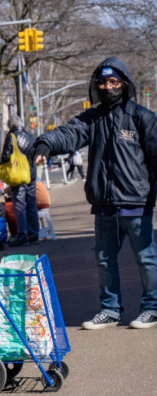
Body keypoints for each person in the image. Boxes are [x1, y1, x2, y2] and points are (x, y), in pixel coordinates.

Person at [34, 57, 157, 330]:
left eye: (113, 82)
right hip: (104, 204)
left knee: (147, 258)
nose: (107, 86)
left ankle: (152, 307)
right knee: (104, 259)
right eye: (102, 82)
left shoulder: (142, 117)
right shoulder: (92, 118)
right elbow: (68, 133)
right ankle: (110, 309)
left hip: (136, 202)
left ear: (124, 84)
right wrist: (45, 143)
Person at [1, 114, 40, 246]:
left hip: (18, 176)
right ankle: (34, 235)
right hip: (31, 175)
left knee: (19, 206)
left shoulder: (11, 137)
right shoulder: (30, 136)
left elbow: (6, 156)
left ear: (10, 126)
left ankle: (22, 235)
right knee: (31, 205)